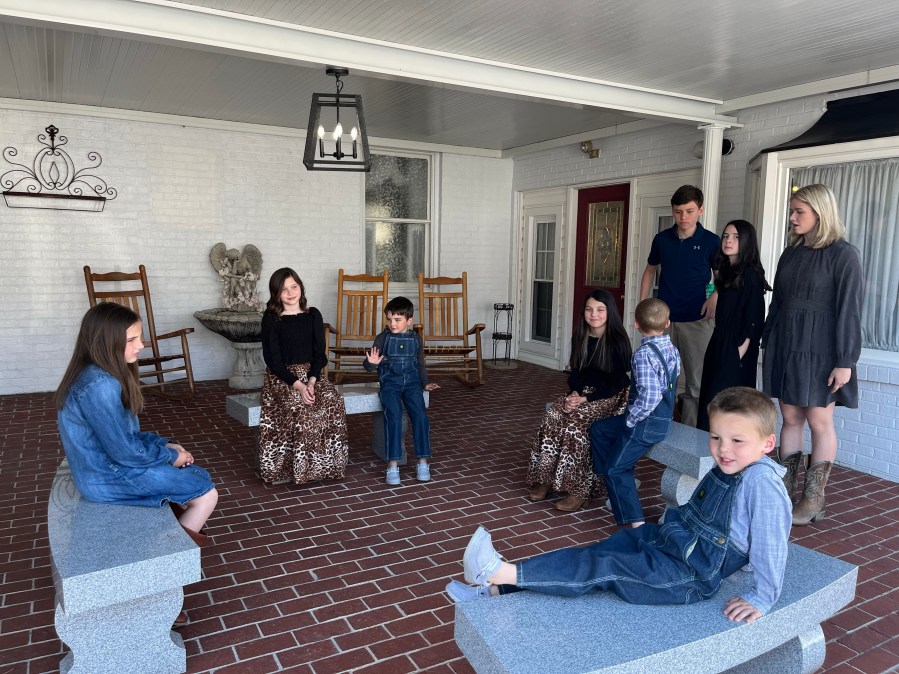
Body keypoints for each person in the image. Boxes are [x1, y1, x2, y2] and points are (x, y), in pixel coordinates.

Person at [447, 387, 792, 625]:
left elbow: (771, 541)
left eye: (737, 440)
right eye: (716, 437)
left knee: (606, 566)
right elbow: (740, 526)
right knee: (604, 548)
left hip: (688, 575)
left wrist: (763, 597)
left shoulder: (762, 483)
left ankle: (501, 573)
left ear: (768, 443)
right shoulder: (733, 465)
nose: (723, 449)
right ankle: (497, 588)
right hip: (671, 542)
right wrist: (745, 562)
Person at [55, 303, 219, 625]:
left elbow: (126, 436)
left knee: (189, 482)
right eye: (132, 339)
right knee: (204, 490)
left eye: (139, 337)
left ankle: (161, 566)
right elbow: (125, 453)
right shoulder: (101, 385)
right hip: (106, 477)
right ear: (106, 342)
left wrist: (164, 445)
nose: (141, 345)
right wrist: (171, 457)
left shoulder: (99, 374)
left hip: (104, 469)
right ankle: (163, 579)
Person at [762, 184, 863, 526]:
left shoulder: (844, 254)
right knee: (790, 418)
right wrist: (768, 340)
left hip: (822, 348)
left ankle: (813, 499)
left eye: (799, 212)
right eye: (792, 211)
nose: (792, 218)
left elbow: (849, 311)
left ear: (820, 213)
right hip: (787, 343)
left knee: (819, 421)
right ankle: (784, 491)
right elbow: (777, 303)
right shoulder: (790, 253)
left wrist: (845, 361)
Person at [526, 289, 632, 512]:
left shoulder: (617, 340)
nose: (594, 314)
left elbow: (615, 384)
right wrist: (574, 394)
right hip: (582, 393)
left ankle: (580, 491)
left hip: (610, 396)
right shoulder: (581, 336)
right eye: (589, 309)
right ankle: (545, 478)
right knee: (553, 416)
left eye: (600, 310)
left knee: (577, 424)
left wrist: (585, 398)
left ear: (610, 312)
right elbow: (576, 373)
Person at [590, 298, 680, 527]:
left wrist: (631, 419)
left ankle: (636, 525)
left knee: (615, 469)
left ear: (636, 324)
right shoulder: (672, 349)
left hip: (645, 424)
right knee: (599, 429)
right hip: (662, 419)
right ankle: (618, 487)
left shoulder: (643, 355)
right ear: (667, 323)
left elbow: (651, 396)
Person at [258, 268, 349, 484]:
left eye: (294, 287)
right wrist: (299, 386)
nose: (290, 293)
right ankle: (299, 469)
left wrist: (312, 380)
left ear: (301, 287)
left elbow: (320, 354)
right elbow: (273, 361)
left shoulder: (313, 315)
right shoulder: (271, 319)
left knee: (332, 402)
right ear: (276, 293)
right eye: (284, 289)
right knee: (301, 407)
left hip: (312, 374)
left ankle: (325, 466)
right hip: (283, 377)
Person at [639, 185, 719, 427]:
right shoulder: (662, 239)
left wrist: (715, 296)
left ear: (700, 210)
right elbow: (650, 270)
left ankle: (689, 432)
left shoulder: (711, 241)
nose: (683, 217)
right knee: (659, 377)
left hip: (698, 320)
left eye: (689, 211)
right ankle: (659, 426)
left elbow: (722, 277)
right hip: (664, 321)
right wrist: (643, 305)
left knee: (695, 382)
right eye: (678, 212)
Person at [697, 220, 771, 432]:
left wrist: (740, 350)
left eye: (736, 237)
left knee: (729, 402)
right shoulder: (727, 271)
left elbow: (755, 318)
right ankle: (707, 446)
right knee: (711, 397)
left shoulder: (750, 274)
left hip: (736, 344)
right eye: (726, 236)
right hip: (719, 339)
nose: (728, 240)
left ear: (746, 241)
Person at [364, 296, 440, 485]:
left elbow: (420, 364)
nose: (392, 324)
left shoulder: (416, 339)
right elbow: (368, 365)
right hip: (390, 385)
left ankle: (422, 462)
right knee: (394, 416)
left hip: (412, 385)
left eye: (397, 319)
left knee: (420, 417)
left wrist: (425, 383)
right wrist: (371, 364)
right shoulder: (382, 338)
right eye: (389, 319)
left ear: (409, 320)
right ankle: (392, 465)